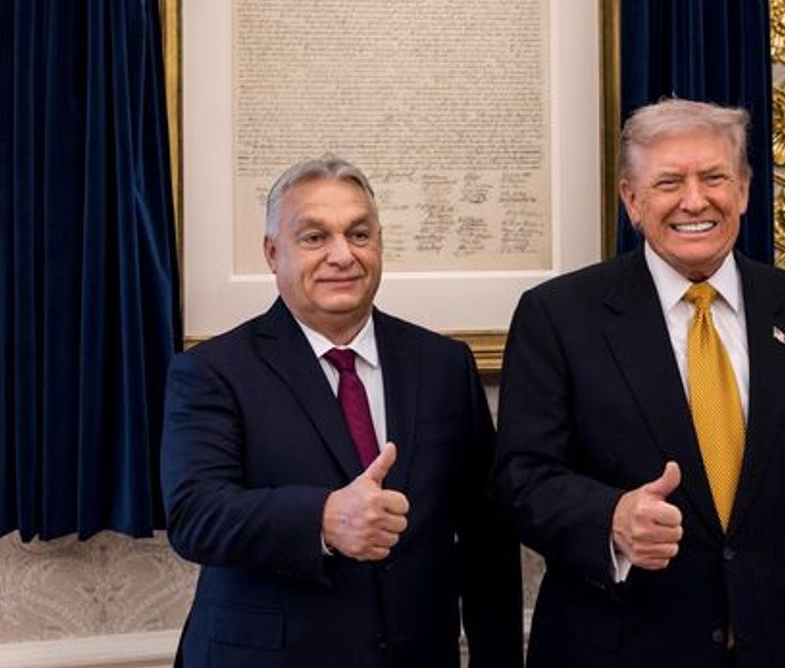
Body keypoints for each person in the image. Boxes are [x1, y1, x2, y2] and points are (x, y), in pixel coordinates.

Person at [494, 99, 785, 667]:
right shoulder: (558, 316)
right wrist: (611, 519)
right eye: (669, 182)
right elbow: (519, 481)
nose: (695, 201)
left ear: (745, 190)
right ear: (632, 200)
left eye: (714, 178)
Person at [162, 155, 523, 668]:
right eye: (313, 237)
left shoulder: (443, 364)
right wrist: (322, 519)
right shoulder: (214, 370)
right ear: (272, 252)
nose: (342, 256)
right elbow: (194, 515)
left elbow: (488, 537)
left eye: (358, 234)